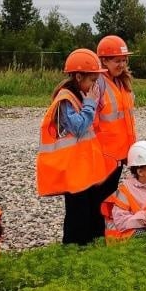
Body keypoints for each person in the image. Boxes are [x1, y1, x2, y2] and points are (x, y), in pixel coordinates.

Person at [36, 49, 117, 245]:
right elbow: (79, 127)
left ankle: (89, 245)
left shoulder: (79, 94)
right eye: (91, 81)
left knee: (89, 210)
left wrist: (93, 101)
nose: (93, 86)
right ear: (78, 77)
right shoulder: (66, 99)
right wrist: (90, 103)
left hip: (83, 170)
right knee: (76, 215)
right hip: (73, 172)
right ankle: (73, 249)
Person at [93, 34, 138, 214]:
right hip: (103, 156)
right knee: (99, 200)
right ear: (103, 61)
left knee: (109, 197)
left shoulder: (122, 82)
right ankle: (97, 237)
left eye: (124, 60)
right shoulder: (97, 84)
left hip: (120, 155)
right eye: (116, 61)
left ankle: (106, 234)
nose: (121, 65)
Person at [102, 140, 146, 242]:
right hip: (123, 239)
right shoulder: (123, 191)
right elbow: (121, 223)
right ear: (140, 172)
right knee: (144, 236)